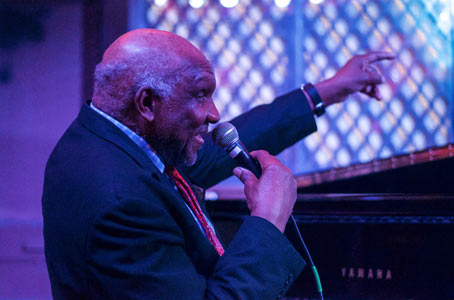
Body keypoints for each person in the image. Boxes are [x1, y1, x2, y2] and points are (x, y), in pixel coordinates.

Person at [42, 29, 394, 299]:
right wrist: (269, 219)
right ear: (147, 102)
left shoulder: (113, 140)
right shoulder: (120, 202)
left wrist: (327, 91)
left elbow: (211, 153)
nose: (214, 114)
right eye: (199, 94)